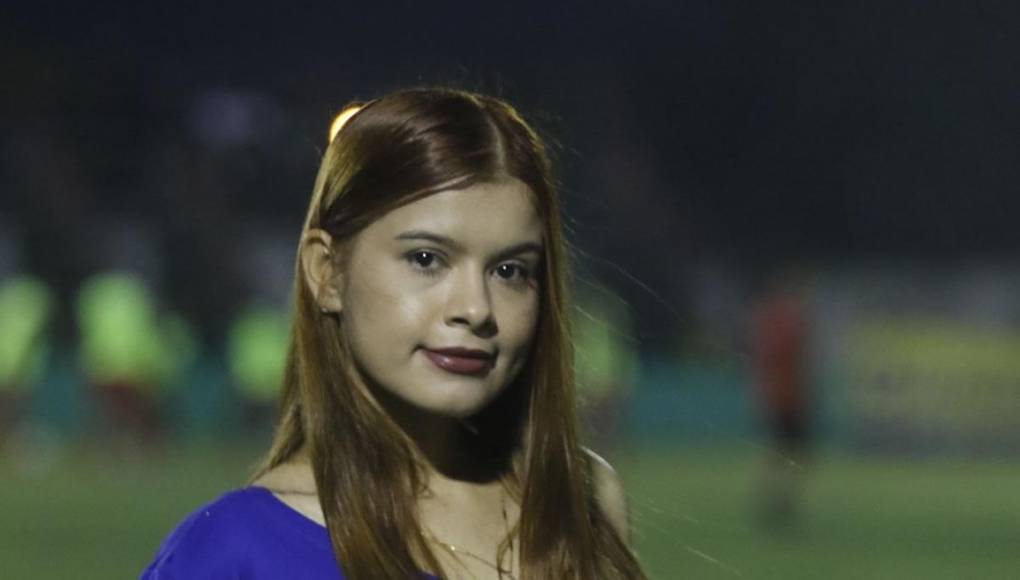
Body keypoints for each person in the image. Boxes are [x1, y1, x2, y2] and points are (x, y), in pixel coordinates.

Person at [141, 88, 647, 579]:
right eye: (426, 259)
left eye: (509, 270)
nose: (475, 308)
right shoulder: (235, 551)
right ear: (326, 273)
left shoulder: (583, 500)